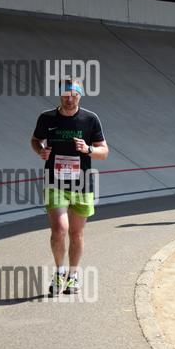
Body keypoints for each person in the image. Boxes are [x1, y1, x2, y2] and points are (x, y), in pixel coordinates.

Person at [31, 78, 108, 295]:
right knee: (59, 230)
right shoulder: (47, 118)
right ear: (60, 96)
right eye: (65, 95)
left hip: (82, 183)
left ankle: (73, 275)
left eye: (74, 95)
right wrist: (40, 151)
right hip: (54, 182)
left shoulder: (90, 119)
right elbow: (35, 140)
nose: (70, 99)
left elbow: (104, 151)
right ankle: (59, 272)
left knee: (76, 233)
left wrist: (88, 149)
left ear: (80, 96)